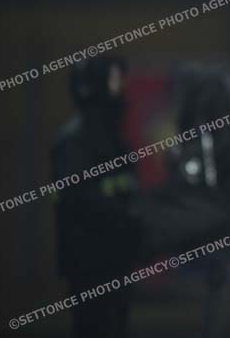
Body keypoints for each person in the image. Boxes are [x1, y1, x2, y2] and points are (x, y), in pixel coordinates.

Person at [52, 55, 140, 338]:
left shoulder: (114, 138)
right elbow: (77, 197)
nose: (121, 87)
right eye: (114, 80)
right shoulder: (74, 141)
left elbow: (128, 188)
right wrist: (127, 216)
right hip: (89, 261)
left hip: (117, 257)